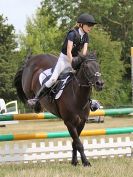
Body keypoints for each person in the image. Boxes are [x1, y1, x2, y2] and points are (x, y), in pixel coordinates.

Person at [28, 13, 98, 109]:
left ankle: (90, 101)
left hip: (76, 59)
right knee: (53, 78)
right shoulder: (72, 34)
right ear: (81, 24)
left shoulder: (86, 36)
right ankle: (36, 98)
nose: (91, 27)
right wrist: (72, 62)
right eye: (89, 25)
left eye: (92, 26)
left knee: (85, 76)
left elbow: (84, 51)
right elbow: (69, 51)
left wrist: (82, 60)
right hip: (64, 59)